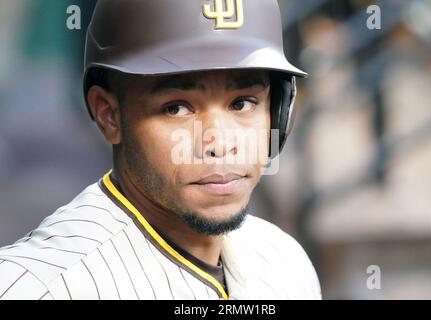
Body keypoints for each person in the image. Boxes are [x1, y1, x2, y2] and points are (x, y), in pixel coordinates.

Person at [0, 0, 321, 300]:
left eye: (242, 103)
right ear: (109, 115)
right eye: (177, 108)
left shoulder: (285, 260)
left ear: (279, 109)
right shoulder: (42, 286)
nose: (221, 144)